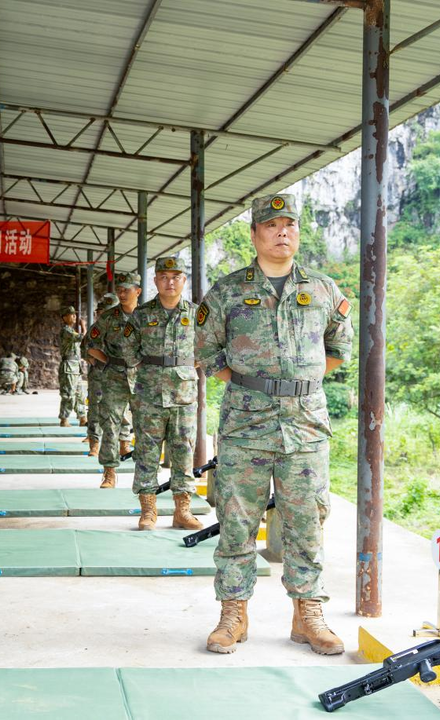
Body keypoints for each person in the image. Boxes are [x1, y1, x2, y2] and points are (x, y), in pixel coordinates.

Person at [195, 193, 353, 657]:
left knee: (307, 519)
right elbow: (206, 353)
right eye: (271, 225)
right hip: (246, 423)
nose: (282, 232)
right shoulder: (227, 292)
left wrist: (298, 386)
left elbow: (339, 348)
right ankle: (233, 613)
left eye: (289, 225)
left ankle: (308, 613)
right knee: (237, 518)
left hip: (305, 425)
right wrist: (251, 386)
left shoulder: (324, 290)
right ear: (254, 235)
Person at [121, 256, 202, 531]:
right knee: (146, 452)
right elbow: (128, 349)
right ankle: (148, 512)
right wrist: (151, 367)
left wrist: (189, 363)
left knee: (183, 452)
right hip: (149, 395)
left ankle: (182, 511)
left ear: (183, 280)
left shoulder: (196, 314)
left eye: (175, 276)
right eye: (164, 277)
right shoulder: (141, 315)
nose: (170, 282)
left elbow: (210, 346)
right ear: (155, 281)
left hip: (184, 395)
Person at [87, 272, 141, 488]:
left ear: (137, 291)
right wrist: (108, 360)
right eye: (119, 290)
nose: (122, 293)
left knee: (146, 424)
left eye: (126, 290)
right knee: (110, 423)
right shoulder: (108, 318)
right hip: (114, 376)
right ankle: (109, 472)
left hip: (142, 376)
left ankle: (146, 473)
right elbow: (91, 343)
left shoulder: (147, 316)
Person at [83, 293, 119, 456]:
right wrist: (93, 359)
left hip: (119, 374)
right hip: (99, 373)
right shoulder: (95, 329)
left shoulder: (124, 327)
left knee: (120, 410)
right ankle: (94, 443)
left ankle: (123, 442)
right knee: (95, 408)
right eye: (103, 312)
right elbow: (85, 348)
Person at [57, 306, 87, 427]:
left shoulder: (71, 330)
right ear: (64, 317)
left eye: (75, 314)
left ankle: (82, 418)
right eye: (71, 314)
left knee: (80, 394)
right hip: (69, 367)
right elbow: (82, 337)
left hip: (75, 366)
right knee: (69, 394)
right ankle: (64, 419)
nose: (74, 316)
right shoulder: (66, 330)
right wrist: (84, 326)